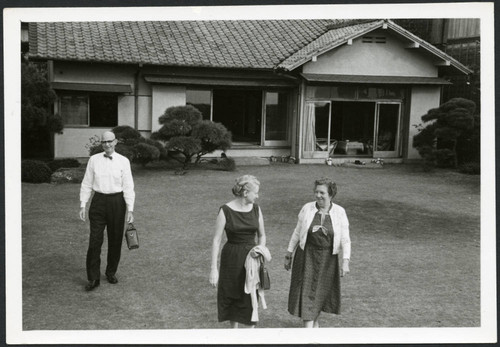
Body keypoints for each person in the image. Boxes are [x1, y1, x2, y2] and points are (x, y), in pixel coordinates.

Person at [284, 178, 351, 328]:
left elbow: (345, 239)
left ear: (331, 194)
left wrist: (345, 261)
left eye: (322, 193)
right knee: (307, 293)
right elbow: (297, 232)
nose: (318, 195)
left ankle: (314, 326)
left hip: (328, 260)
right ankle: (309, 332)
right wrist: (289, 253)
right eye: (316, 192)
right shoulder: (307, 208)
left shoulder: (340, 212)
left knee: (320, 294)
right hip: (306, 256)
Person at [79, 131, 135, 291]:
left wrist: (130, 208)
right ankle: (93, 278)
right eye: (104, 142)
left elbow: (128, 186)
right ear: (101, 143)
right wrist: (83, 204)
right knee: (95, 241)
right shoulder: (93, 160)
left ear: (115, 142)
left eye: (110, 141)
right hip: (98, 202)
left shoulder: (123, 161)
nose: (107, 144)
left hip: (117, 203)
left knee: (115, 240)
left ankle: (111, 272)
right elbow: (86, 183)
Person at [209, 175, 267, 328]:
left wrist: (260, 250)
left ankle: (250, 334)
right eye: (256, 192)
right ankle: (233, 334)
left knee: (251, 297)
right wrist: (213, 269)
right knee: (232, 295)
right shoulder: (225, 210)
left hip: (252, 260)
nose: (258, 195)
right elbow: (216, 240)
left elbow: (262, 235)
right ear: (245, 192)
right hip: (232, 260)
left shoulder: (256, 209)